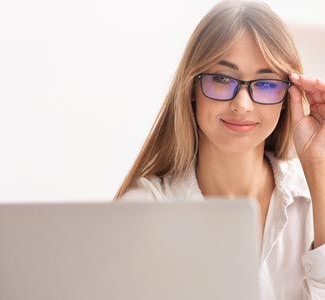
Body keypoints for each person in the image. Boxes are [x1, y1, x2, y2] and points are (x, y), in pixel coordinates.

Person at [112, 1, 325, 299]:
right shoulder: (144, 211)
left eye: (265, 84)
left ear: (288, 96)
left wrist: (318, 167)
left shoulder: (312, 202)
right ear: (191, 89)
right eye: (222, 79)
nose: (242, 104)